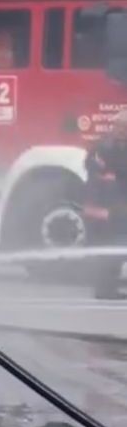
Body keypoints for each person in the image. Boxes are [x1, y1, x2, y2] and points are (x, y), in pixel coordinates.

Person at [83, 110, 127, 299]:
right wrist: (112, 175)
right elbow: (99, 169)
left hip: (114, 204)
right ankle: (104, 289)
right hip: (105, 206)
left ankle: (109, 287)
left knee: (116, 244)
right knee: (110, 244)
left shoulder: (108, 145)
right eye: (123, 127)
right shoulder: (105, 147)